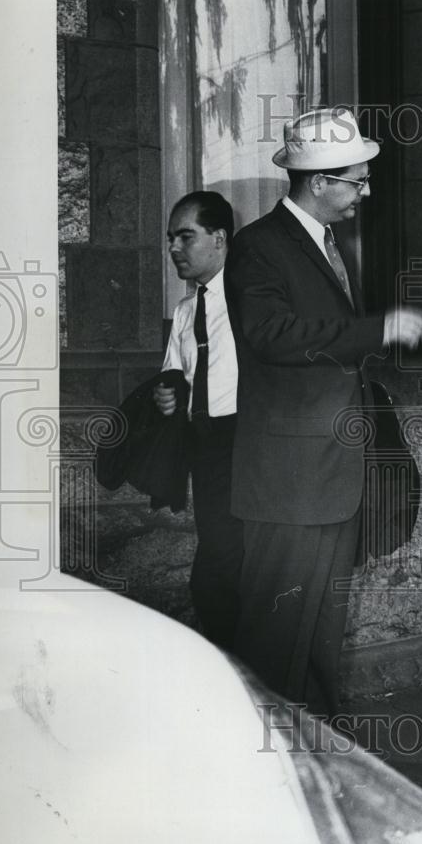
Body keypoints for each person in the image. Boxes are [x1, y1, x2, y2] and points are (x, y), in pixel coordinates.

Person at [224, 107, 422, 716]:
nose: (364, 193)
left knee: (318, 638)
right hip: (290, 481)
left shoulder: (327, 245)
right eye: (357, 181)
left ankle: (314, 763)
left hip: (331, 475)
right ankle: (261, 778)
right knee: (274, 639)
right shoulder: (259, 247)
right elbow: (271, 334)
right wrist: (377, 328)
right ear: (319, 182)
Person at [154, 190, 243, 651]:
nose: (174, 248)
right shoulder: (186, 312)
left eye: (185, 237)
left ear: (220, 239)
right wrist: (168, 394)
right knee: (219, 569)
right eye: (171, 239)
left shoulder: (253, 300)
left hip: (247, 444)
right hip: (205, 449)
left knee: (220, 574)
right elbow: (175, 375)